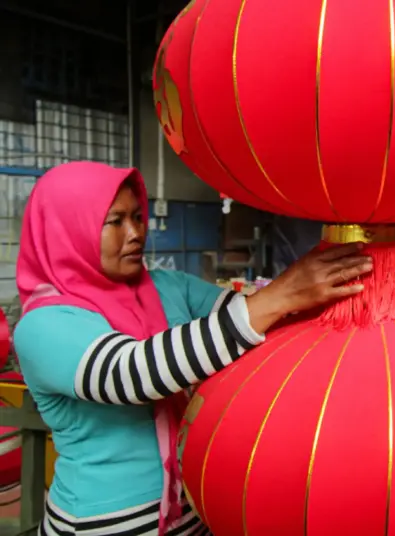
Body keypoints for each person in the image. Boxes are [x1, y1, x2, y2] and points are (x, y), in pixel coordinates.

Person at [13, 161, 373, 536]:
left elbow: (258, 325)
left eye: (138, 216)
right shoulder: (44, 324)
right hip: (103, 523)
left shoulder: (167, 286)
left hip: (192, 510)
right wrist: (278, 297)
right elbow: (132, 374)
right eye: (115, 222)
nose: (136, 233)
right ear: (67, 231)